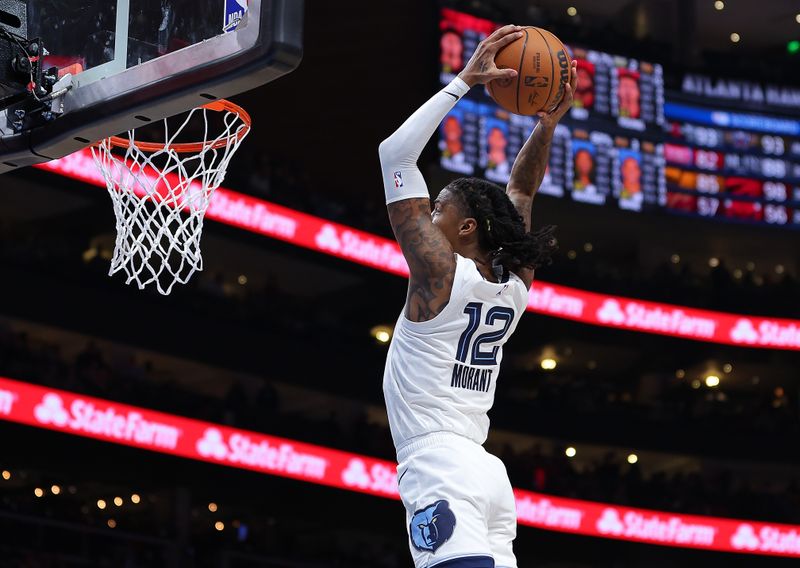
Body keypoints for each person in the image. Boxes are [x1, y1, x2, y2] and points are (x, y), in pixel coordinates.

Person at [378, 25, 576, 568]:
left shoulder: (440, 275)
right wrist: (547, 125)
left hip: (439, 461)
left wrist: (463, 81)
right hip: (486, 473)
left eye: (439, 208)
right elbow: (522, 192)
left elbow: (394, 157)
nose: (431, 215)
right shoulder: (513, 285)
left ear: (467, 229)